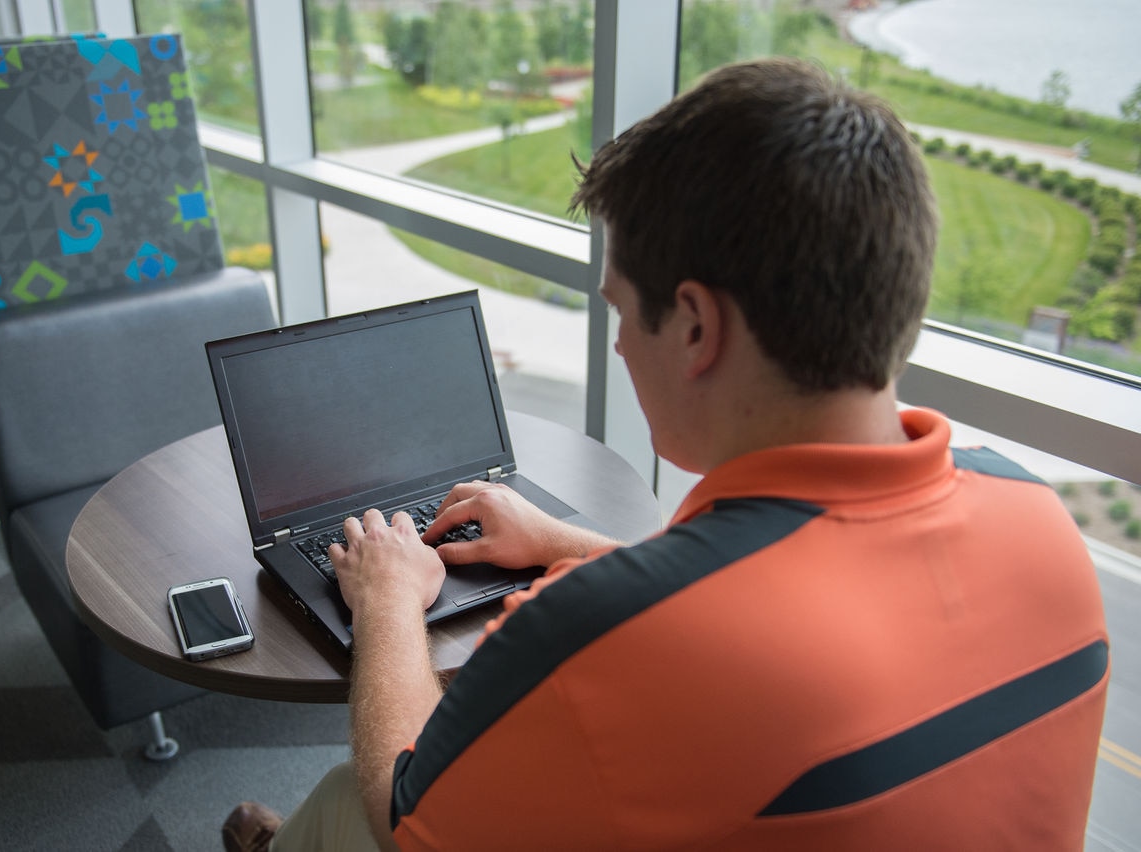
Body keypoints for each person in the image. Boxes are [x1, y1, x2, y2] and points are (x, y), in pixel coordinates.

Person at [223, 56, 1109, 851]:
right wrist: (562, 543)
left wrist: (386, 603)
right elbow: (792, 615)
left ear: (694, 325)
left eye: (617, 310)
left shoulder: (598, 633)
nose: (616, 347)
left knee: (348, 796)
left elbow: (405, 815)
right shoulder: (1039, 524)